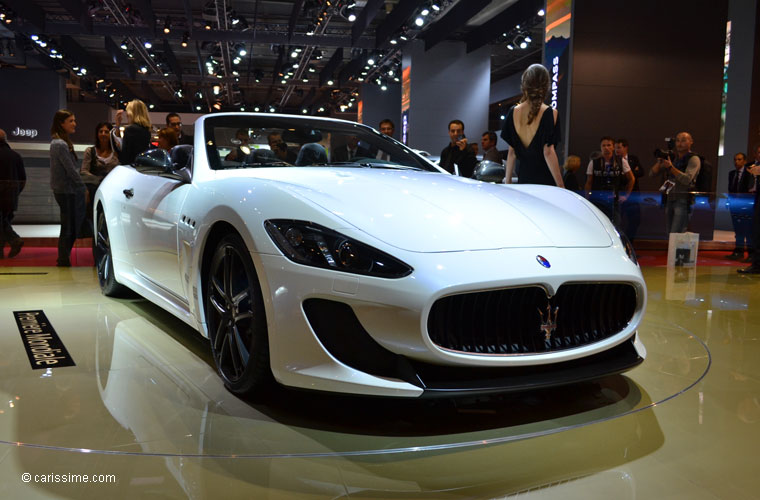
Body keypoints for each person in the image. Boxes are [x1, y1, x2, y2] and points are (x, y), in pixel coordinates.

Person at [501, 64, 564, 187]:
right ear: (546, 85)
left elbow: (511, 152)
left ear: (524, 84)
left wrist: (507, 182)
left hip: (523, 181)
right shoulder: (551, 113)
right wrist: (561, 186)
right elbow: (548, 152)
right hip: (545, 183)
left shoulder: (513, 111)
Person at [50, 109, 86, 267]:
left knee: (69, 224)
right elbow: (70, 169)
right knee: (68, 225)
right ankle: (63, 258)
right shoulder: (59, 144)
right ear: (61, 123)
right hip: (65, 191)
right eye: (71, 121)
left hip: (65, 190)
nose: (74, 124)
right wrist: (82, 187)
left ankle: (64, 257)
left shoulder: (60, 142)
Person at [649, 131, 701, 234]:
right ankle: (672, 249)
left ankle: (676, 250)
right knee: (670, 233)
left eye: (683, 140)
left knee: (677, 232)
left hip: (683, 199)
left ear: (691, 142)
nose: (679, 143)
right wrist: (659, 162)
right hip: (670, 198)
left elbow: (687, 179)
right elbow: (651, 174)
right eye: (677, 140)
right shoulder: (674, 158)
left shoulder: (693, 159)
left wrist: (671, 168)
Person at [81, 122, 120, 240]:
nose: (103, 134)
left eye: (106, 131)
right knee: (96, 221)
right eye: (100, 131)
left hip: (113, 192)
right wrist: (99, 180)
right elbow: (84, 171)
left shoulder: (117, 153)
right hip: (94, 191)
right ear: (97, 134)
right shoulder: (90, 151)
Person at [584, 136, 635, 226]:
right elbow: (589, 182)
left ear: (613, 147)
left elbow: (631, 179)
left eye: (608, 145)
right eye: (603, 145)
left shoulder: (621, 161)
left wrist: (626, 196)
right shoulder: (594, 162)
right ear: (600, 147)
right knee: (598, 224)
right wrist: (587, 199)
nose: (606, 148)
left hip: (614, 200)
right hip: (598, 199)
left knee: (615, 224)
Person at [0, 129, 26, 258]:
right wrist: (15, 193)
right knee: (3, 222)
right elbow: (23, 179)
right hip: (11, 197)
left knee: (2, 223)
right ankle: (14, 241)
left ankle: (14, 240)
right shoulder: (15, 156)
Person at [614, 138, 643, 241]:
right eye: (615, 148)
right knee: (617, 221)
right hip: (619, 195)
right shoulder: (613, 161)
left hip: (633, 195)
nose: (616, 150)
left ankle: (629, 243)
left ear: (625, 147)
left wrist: (628, 172)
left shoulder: (633, 159)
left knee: (635, 220)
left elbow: (641, 172)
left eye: (619, 147)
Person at [727, 152, 754, 260]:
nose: (736, 162)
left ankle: (751, 253)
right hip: (735, 205)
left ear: (744, 161)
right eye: (735, 159)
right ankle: (738, 251)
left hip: (746, 206)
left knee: (748, 230)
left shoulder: (749, 173)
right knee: (738, 230)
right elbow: (731, 189)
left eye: (739, 159)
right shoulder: (732, 173)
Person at [739, 146, 760, 274]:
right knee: (756, 232)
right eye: (758, 152)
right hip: (753, 200)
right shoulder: (750, 166)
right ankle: (756, 264)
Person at [115, 99, 152, 165]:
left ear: (131, 113)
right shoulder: (147, 130)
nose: (126, 114)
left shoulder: (130, 129)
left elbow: (125, 156)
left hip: (131, 167)